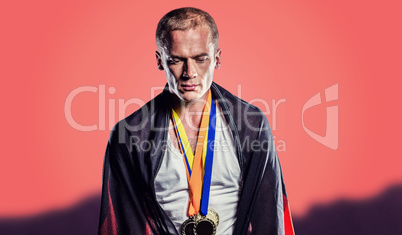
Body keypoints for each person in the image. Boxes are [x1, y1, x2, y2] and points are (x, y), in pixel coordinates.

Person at [98, 7, 294, 235]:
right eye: (176, 60)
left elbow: (270, 215)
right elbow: (122, 225)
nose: (189, 72)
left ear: (217, 59)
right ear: (160, 60)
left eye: (200, 59)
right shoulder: (129, 134)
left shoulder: (252, 126)